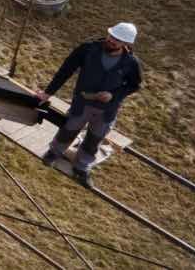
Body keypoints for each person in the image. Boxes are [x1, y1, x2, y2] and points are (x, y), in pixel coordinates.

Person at [35, 22, 143, 188]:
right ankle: (54, 152)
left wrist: (114, 95)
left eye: (117, 40)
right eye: (111, 36)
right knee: (69, 128)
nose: (112, 41)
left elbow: (134, 85)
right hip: (82, 103)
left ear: (126, 44)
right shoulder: (87, 49)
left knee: (95, 137)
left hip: (107, 110)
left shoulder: (131, 63)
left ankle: (82, 166)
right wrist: (48, 92)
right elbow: (66, 70)